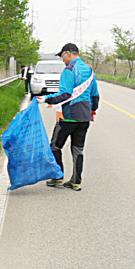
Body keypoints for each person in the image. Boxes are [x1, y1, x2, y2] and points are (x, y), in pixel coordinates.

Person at [37, 43, 99, 191]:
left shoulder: (69, 70)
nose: (62, 60)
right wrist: (92, 110)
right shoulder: (89, 70)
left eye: (62, 56)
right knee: (78, 149)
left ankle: (58, 177)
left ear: (68, 54)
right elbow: (95, 95)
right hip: (84, 118)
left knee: (55, 146)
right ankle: (76, 181)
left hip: (68, 117)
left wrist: (46, 99)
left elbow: (65, 94)